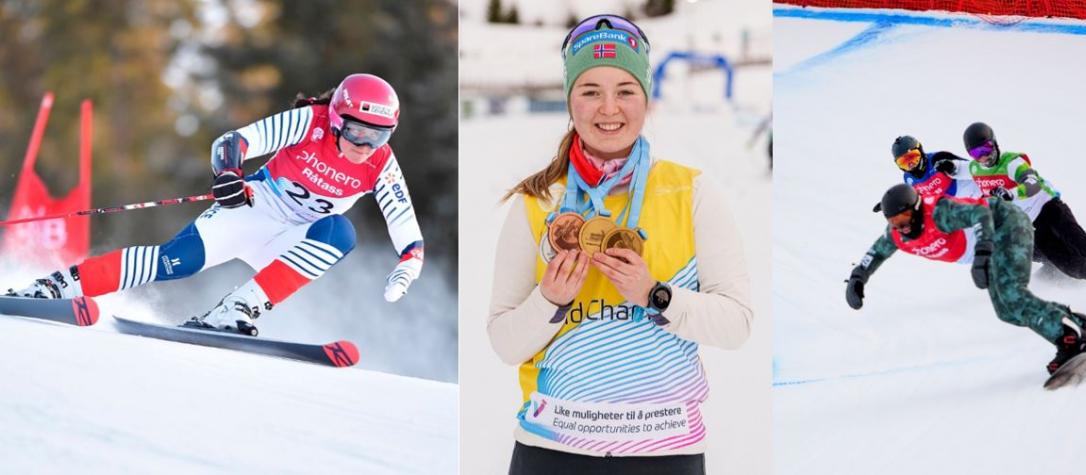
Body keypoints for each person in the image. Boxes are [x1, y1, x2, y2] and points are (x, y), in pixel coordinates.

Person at [486, 14, 752, 474]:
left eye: (625, 91)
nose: (609, 108)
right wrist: (549, 300)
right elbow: (505, 344)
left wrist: (656, 296)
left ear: (646, 99)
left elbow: (736, 325)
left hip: (665, 448)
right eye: (590, 92)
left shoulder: (691, 192)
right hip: (552, 449)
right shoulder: (537, 202)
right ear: (570, 100)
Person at [7, 73, 424, 335]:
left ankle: (237, 309)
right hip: (252, 209)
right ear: (336, 120)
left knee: (339, 232)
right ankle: (55, 286)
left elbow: (407, 233)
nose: (365, 146)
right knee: (175, 262)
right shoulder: (309, 122)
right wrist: (228, 175)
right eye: (356, 133)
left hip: (291, 239)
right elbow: (234, 142)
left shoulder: (380, 165)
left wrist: (407, 267)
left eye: (380, 136)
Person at [845, 184, 1086, 374]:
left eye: (904, 219)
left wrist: (982, 252)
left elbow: (981, 215)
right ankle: (1083, 325)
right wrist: (858, 277)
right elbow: (876, 252)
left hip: (1006, 225)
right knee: (1006, 310)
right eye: (894, 222)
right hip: (990, 247)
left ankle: (1067, 339)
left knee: (1013, 295)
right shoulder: (896, 235)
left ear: (916, 209)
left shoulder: (939, 213)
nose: (901, 227)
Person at [962, 122, 1086, 301]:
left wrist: (1011, 193)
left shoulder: (1011, 162)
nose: (984, 157)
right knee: (1073, 267)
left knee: (1084, 246)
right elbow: (960, 169)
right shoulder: (975, 168)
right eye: (977, 153)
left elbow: (1033, 184)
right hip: (1032, 224)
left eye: (986, 149)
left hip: (1049, 209)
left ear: (995, 143)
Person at [891, 135, 981, 199]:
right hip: (958, 210)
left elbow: (976, 169)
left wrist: (954, 168)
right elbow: (915, 198)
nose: (911, 165)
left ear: (920, 150)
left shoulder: (938, 159)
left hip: (978, 195)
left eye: (913, 157)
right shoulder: (908, 179)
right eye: (903, 162)